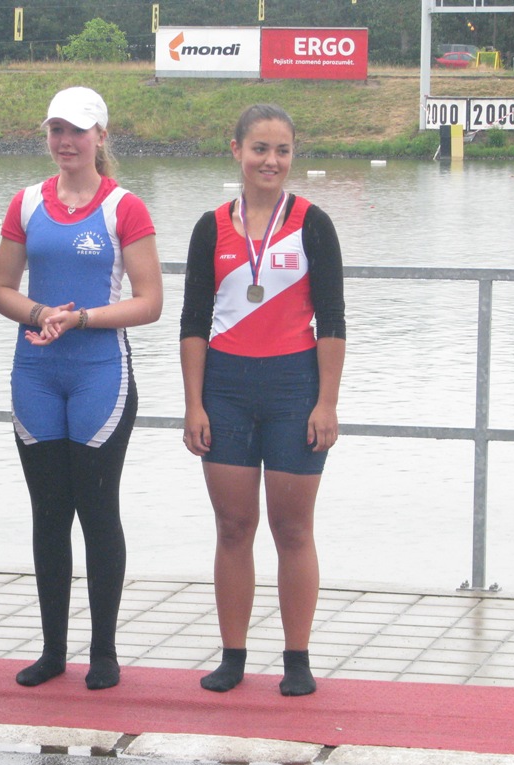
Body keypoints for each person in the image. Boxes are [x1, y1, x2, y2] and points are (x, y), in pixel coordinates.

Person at [0, 86, 162, 691]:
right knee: (48, 514)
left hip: (99, 374)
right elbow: (0, 287)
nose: (66, 141)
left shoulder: (124, 208)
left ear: (100, 137)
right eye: (57, 130)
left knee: (97, 511)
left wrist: (82, 318)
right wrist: (41, 314)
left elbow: (150, 302)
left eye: (78, 131)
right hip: (36, 374)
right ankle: (53, 652)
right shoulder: (25, 203)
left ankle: (104, 652)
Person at [179, 104, 345, 697]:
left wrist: (326, 403)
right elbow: (193, 322)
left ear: (293, 155)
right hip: (224, 389)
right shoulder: (210, 227)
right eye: (259, 149)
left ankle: (297, 658)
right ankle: (233, 656)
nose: (270, 161)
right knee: (233, 527)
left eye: (282, 150)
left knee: (292, 529)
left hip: (294, 389)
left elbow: (333, 321)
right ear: (237, 151)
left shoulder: (313, 223)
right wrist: (194, 404)